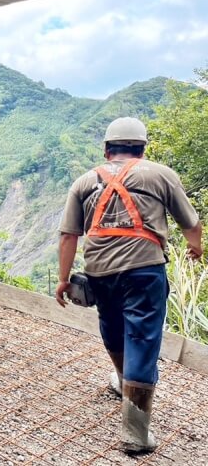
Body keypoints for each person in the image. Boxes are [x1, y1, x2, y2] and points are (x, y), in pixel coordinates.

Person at [56, 117, 203, 454]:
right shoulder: (160, 174)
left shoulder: (84, 181)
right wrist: (195, 247)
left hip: (99, 272)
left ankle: (124, 382)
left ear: (107, 149)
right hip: (144, 270)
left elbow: (68, 235)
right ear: (143, 148)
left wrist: (64, 279)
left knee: (112, 327)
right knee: (140, 337)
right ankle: (136, 433)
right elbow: (190, 223)